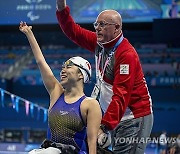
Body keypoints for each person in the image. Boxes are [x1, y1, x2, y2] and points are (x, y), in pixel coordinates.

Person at [56, 0, 153, 153]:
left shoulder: (126, 55)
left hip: (133, 118)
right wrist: (61, 8)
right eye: (96, 24)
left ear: (117, 28)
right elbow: (72, 31)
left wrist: (103, 126)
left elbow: (121, 94)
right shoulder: (99, 44)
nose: (97, 28)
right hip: (115, 117)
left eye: (103, 24)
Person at [19, 21, 102, 154]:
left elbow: (92, 142)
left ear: (81, 75)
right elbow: (41, 62)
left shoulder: (90, 104)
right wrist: (29, 34)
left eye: (68, 67)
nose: (63, 70)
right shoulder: (56, 93)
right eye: (62, 67)